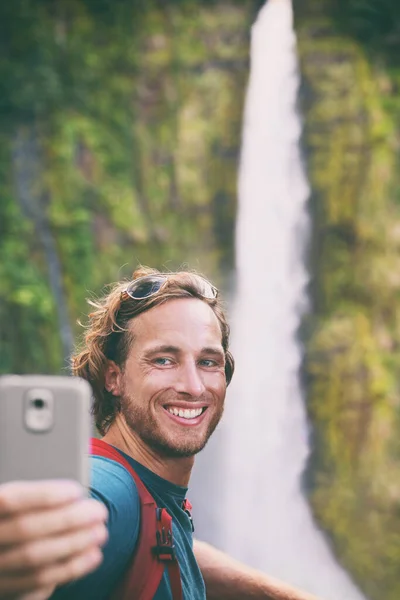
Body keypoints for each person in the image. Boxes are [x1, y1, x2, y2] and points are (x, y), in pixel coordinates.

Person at [0, 267, 320, 600]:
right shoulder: (111, 489)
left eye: (209, 362)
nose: (193, 386)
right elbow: (78, 516)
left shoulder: (153, 502)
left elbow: (165, 536)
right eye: (164, 360)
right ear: (114, 377)